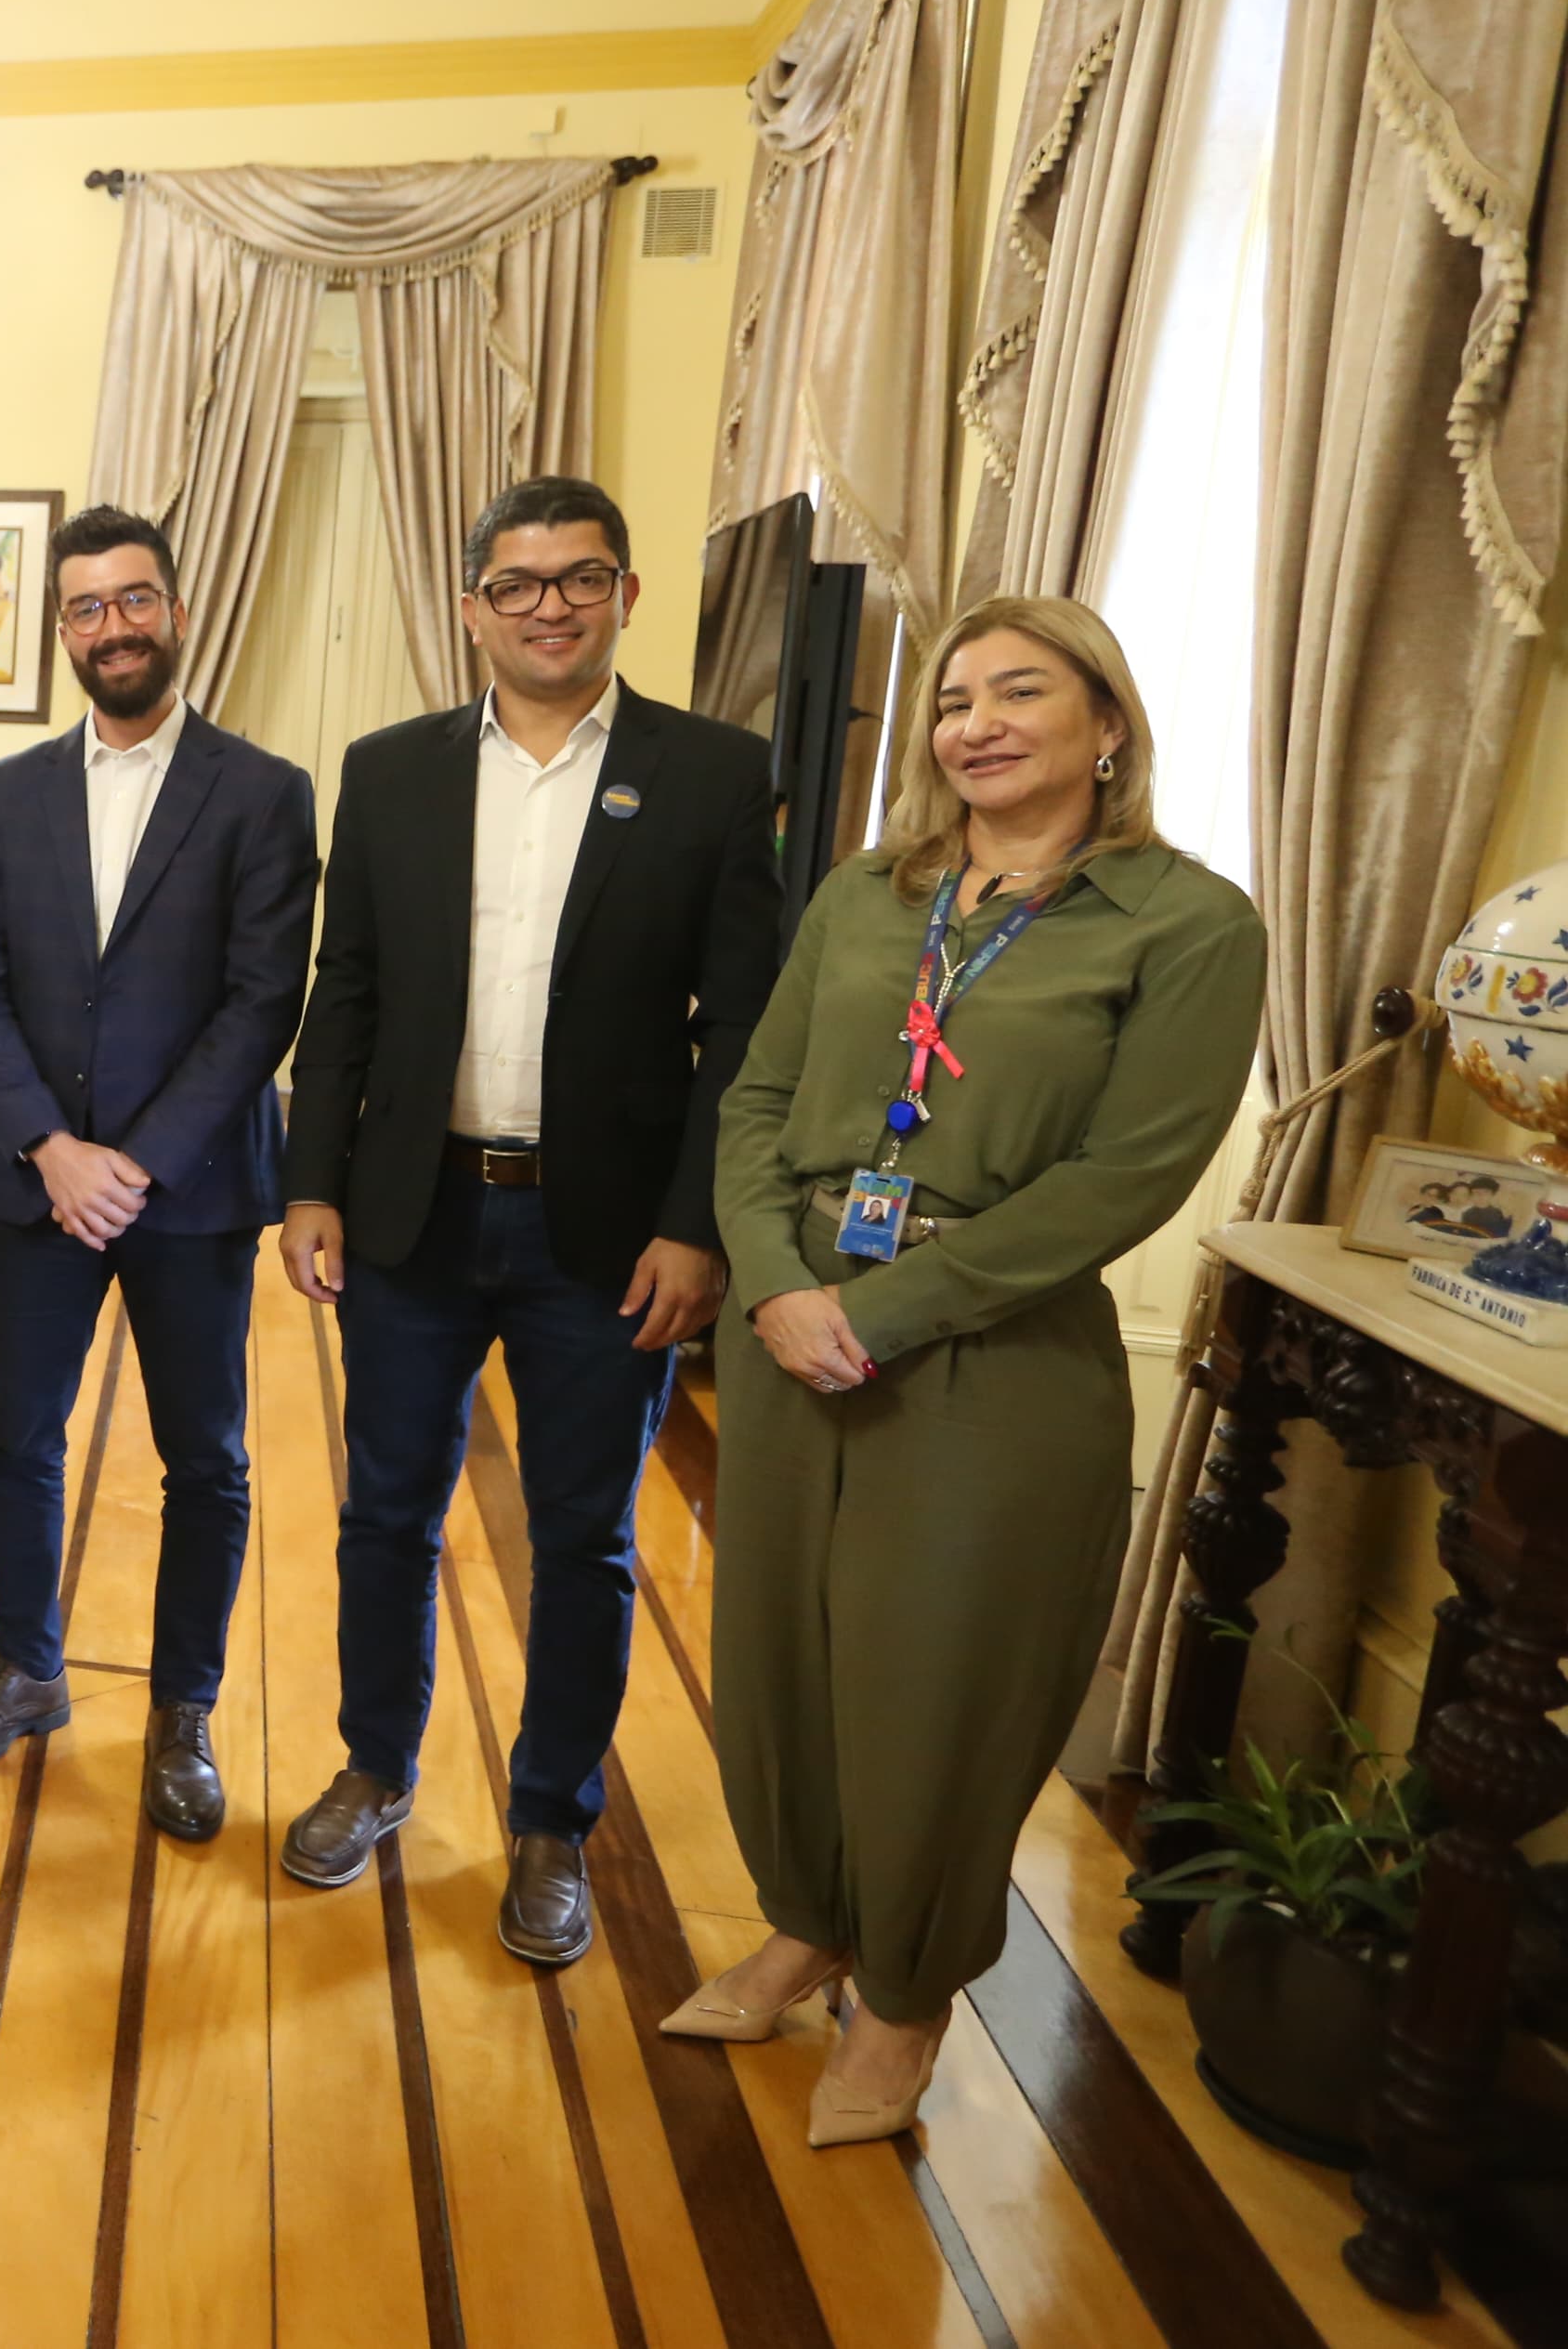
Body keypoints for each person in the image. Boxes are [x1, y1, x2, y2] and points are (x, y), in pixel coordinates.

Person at [676, 594, 1259, 2144]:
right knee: (784, 1653)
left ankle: (910, 1993)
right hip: (792, 1317)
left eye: (1019, 690)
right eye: (953, 699)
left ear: (1108, 724)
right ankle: (806, 1920)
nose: (976, 721)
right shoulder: (869, 897)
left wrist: (894, 1309)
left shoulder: (1187, 923)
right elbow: (754, 1103)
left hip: (991, 1349)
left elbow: (1126, 1177)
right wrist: (781, 1279)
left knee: (934, 1681)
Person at [275, 476, 781, 1964]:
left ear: (624, 596)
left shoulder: (710, 775)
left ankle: (552, 1817)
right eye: (519, 581)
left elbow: (741, 1029)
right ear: (474, 603)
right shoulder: (394, 770)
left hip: (608, 1239)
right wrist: (311, 1182)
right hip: (413, 1220)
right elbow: (348, 988)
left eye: (579, 577)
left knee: (584, 1539)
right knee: (386, 1512)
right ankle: (378, 1765)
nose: (548, 603)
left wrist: (700, 1224)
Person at [0, 505, 318, 1840]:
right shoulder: (5, 793)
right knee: (16, 1440)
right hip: (35, 1180)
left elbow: (263, 1005)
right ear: (63, 633)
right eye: (86, 608)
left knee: (203, 1460)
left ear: (178, 610)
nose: (113, 626)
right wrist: (49, 1146)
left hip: (191, 1193)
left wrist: (131, 1165)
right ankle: (29, 1666)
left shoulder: (263, 791)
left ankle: (183, 1709)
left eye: (134, 599)